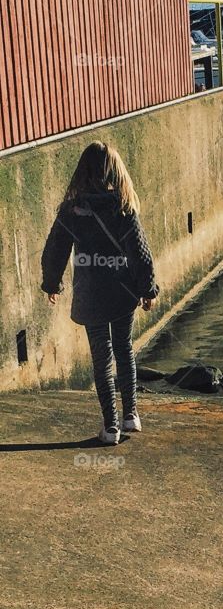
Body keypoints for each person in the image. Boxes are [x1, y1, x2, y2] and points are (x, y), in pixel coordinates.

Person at [41, 142, 159, 445]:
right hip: (122, 293)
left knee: (101, 357)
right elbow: (140, 254)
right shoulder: (123, 207)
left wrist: (52, 284)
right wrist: (147, 289)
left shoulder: (71, 210)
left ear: (82, 170)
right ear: (115, 171)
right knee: (124, 349)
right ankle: (131, 415)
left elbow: (55, 250)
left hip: (90, 294)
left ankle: (111, 427)